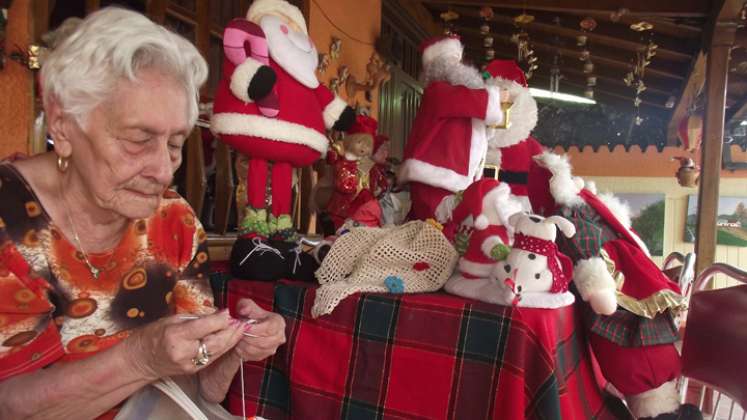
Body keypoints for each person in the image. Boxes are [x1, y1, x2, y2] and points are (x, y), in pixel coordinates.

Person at [0, 8, 285, 419]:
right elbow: (10, 406)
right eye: (138, 139)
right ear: (63, 124)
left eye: (175, 143)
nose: (163, 170)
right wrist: (140, 359)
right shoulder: (10, 220)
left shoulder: (173, 219)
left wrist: (232, 348)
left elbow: (200, 389)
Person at [397, 35, 507, 221]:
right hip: (436, 180)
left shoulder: (443, 93)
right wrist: (495, 96)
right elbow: (471, 100)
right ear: (441, 65)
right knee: (437, 232)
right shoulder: (438, 91)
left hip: (446, 181)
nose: (461, 66)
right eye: (454, 60)